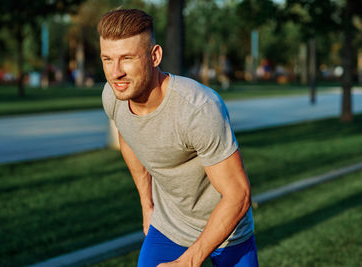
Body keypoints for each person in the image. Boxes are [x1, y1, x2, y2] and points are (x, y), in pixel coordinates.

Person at [97, 9, 258, 267]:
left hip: (228, 232)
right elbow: (129, 137)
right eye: (107, 59)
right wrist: (147, 204)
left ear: (155, 56)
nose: (115, 73)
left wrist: (189, 261)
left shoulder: (197, 109)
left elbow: (238, 194)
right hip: (169, 226)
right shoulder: (114, 97)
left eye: (126, 58)